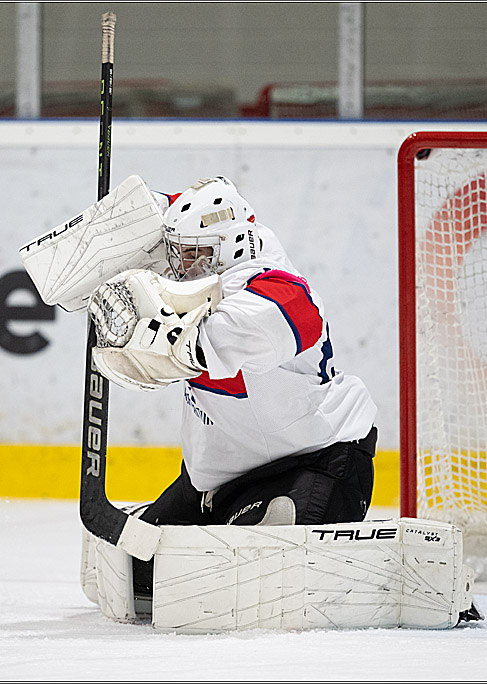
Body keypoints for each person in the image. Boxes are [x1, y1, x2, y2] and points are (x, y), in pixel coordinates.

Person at [88, 176, 378, 605]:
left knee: (241, 580)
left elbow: (176, 351)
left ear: (231, 248)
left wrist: (125, 314)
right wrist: (121, 227)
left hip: (314, 462)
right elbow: (173, 211)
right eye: (178, 252)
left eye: (194, 255)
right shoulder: (226, 244)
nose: (182, 267)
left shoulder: (279, 298)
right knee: (135, 579)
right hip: (220, 477)